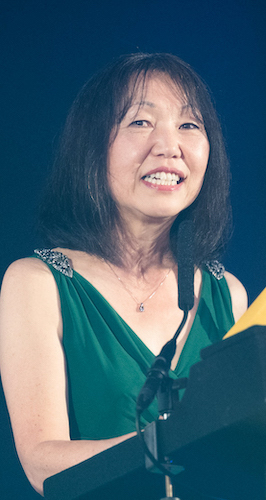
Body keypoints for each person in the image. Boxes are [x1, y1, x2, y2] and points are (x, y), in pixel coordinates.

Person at [0, 53, 248, 496]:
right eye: (140, 122)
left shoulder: (226, 294)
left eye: (189, 125)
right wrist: (168, 445)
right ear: (92, 147)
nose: (169, 146)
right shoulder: (38, 283)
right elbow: (42, 462)